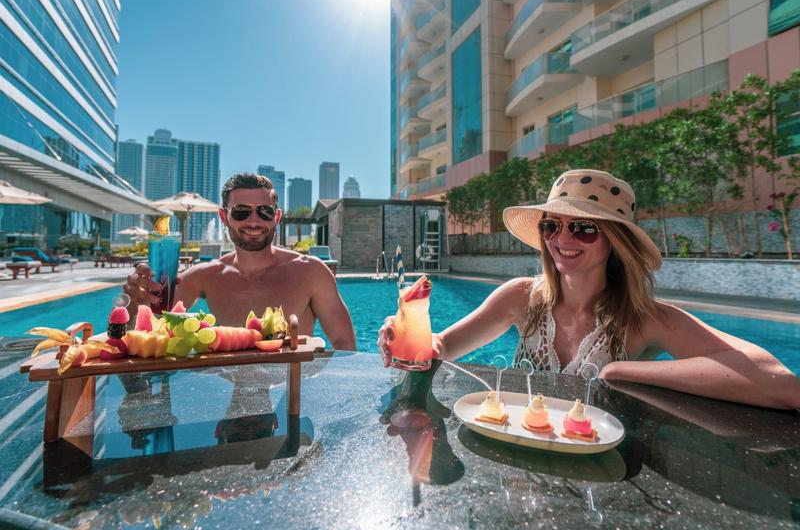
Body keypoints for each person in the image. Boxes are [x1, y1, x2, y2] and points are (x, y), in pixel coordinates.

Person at [379, 169, 800, 410]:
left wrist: (623, 373)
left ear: (616, 241)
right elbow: (441, 348)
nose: (563, 240)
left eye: (583, 228)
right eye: (552, 225)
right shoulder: (519, 298)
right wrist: (405, 337)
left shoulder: (646, 319)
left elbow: (780, 383)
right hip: (519, 458)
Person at [125, 173, 355, 350]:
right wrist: (135, 301)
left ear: (276, 217)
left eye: (264, 212)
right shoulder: (206, 276)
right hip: (229, 395)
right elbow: (145, 325)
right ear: (224, 217)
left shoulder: (311, 272)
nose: (253, 221)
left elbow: (343, 342)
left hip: (292, 391)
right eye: (241, 212)